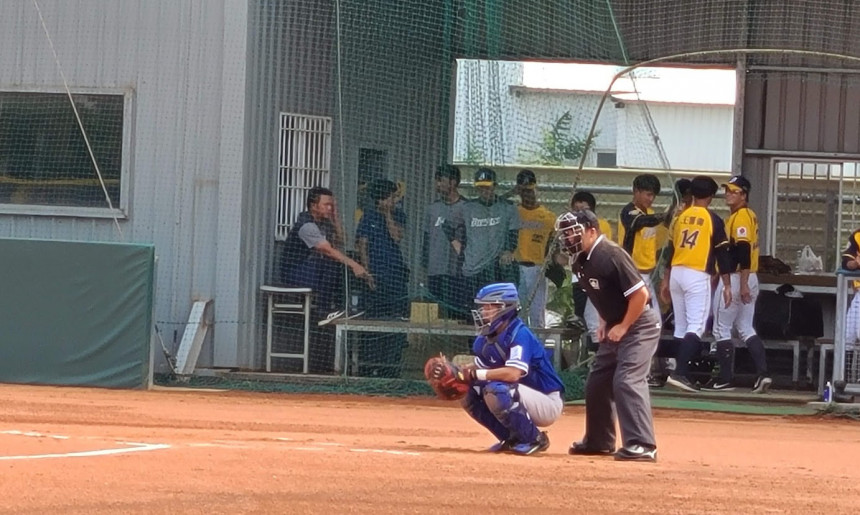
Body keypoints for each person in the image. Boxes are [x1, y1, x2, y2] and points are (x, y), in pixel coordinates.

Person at [556, 210, 661, 462]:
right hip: (616, 323)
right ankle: (599, 441)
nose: (569, 238)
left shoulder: (610, 254)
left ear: (592, 230)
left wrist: (623, 326)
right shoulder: (580, 259)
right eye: (566, 233)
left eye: (574, 232)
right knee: (597, 383)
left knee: (627, 380)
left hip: (639, 325)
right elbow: (601, 294)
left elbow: (640, 296)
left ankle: (642, 444)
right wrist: (604, 321)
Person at [455, 282, 565, 455]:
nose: (483, 312)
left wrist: (477, 374)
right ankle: (511, 438)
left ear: (503, 308)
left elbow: (513, 374)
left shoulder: (519, 334)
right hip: (521, 395)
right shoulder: (486, 339)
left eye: (488, 307)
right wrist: (457, 373)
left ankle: (534, 439)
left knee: (497, 390)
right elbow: (478, 367)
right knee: (468, 391)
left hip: (546, 400)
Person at [659, 176, 732, 392]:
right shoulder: (712, 219)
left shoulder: (680, 217)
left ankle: (680, 373)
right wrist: (727, 285)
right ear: (710, 197)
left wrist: (665, 279)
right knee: (696, 327)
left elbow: (670, 251)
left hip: (677, 273)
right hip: (697, 274)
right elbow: (722, 254)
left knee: (681, 326)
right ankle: (680, 373)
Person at [704, 175, 771, 393]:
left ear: (744, 194)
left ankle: (725, 378)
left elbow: (743, 251)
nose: (729, 194)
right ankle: (763, 374)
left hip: (737, 278)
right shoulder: (744, 215)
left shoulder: (741, 216)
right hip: (748, 277)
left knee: (721, 328)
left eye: (734, 191)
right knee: (744, 327)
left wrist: (740, 285)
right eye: (728, 190)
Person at [281, 186, 374, 324]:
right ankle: (323, 311)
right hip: (295, 273)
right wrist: (355, 265)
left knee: (343, 262)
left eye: (331, 205)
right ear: (313, 205)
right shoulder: (307, 225)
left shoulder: (324, 223)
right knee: (332, 262)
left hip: (312, 271)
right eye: (326, 205)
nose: (329, 208)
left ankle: (347, 306)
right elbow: (327, 250)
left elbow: (342, 241)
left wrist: (335, 217)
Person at [356, 179, 409, 376]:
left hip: (395, 276)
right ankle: (369, 367)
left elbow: (397, 237)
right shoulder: (367, 216)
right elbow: (362, 244)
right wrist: (366, 271)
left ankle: (391, 368)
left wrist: (388, 214)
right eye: (391, 197)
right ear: (381, 198)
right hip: (375, 276)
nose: (394, 200)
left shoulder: (398, 215)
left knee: (396, 321)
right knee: (373, 322)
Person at [648, 178, 693, 387]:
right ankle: (660, 368)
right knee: (663, 320)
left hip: (671, 267)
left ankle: (664, 366)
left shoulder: (681, 213)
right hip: (665, 265)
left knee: (670, 320)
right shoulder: (676, 214)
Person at [461, 168, 520, 297]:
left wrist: (508, 250)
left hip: (495, 267)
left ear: (494, 186)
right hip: (472, 267)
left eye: (488, 187)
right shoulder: (467, 208)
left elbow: (513, 233)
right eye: (481, 187)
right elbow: (460, 233)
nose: (484, 191)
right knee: (473, 307)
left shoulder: (508, 207)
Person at [617, 174, 669, 312]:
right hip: (632, 274)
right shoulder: (628, 212)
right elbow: (640, 221)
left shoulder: (650, 213)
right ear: (636, 191)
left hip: (646, 276)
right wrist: (663, 216)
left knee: (653, 321)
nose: (651, 199)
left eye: (654, 196)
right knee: (648, 321)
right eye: (648, 194)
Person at [571, 190, 616, 346]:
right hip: (577, 279)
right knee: (582, 318)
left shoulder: (600, 225)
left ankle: (598, 352)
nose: (580, 213)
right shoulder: (570, 227)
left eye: (584, 209)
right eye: (576, 209)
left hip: (594, 277)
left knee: (594, 318)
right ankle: (587, 356)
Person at [423, 164, 467, 319]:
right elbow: (426, 239)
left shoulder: (466, 208)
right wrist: (425, 266)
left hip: (457, 272)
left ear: (453, 182)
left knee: (457, 315)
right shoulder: (432, 209)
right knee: (435, 315)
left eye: (441, 180)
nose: (437, 185)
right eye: (436, 181)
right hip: (435, 271)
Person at [513, 170, 556, 328]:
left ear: (536, 189)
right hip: (516, 268)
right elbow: (495, 203)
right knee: (518, 314)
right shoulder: (513, 212)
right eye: (523, 191)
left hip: (537, 268)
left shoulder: (548, 217)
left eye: (530, 190)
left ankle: (539, 348)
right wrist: (512, 191)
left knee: (537, 315)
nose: (528, 195)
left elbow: (556, 243)